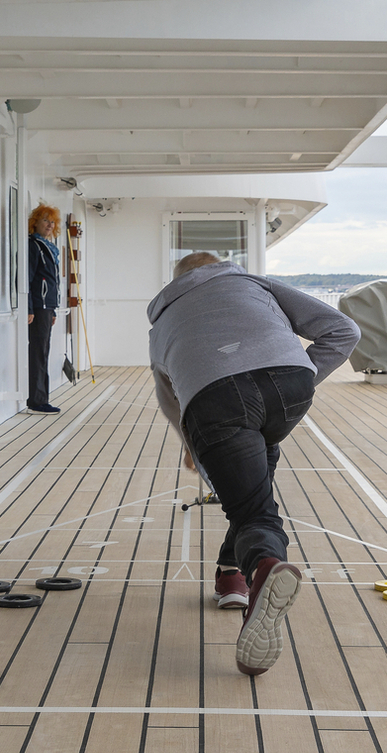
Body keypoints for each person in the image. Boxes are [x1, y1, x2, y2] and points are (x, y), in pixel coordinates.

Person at [148, 252, 359, 675]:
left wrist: (193, 448)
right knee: (255, 473)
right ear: (223, 268)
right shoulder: (253, 283)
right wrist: (299, 375)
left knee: (250, 508)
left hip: (214, 402)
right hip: (288, 388)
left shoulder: (161, 326)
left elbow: (170, 401)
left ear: (175, 281)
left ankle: (263, 564)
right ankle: (231, 576)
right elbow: (343, 331)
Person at [26, 204, 63, 413]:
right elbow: (27, 279)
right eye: (45, 220)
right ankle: (37, 401)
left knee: (44, 351)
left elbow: (51, 281)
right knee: (39, 352)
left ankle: (42, 397)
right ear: (35, 223)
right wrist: (30, 308)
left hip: (47, 306)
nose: (49, 225)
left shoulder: (48, 247)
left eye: (52, 222)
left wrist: (54, 310)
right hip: (38, 307)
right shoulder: (33, 246)